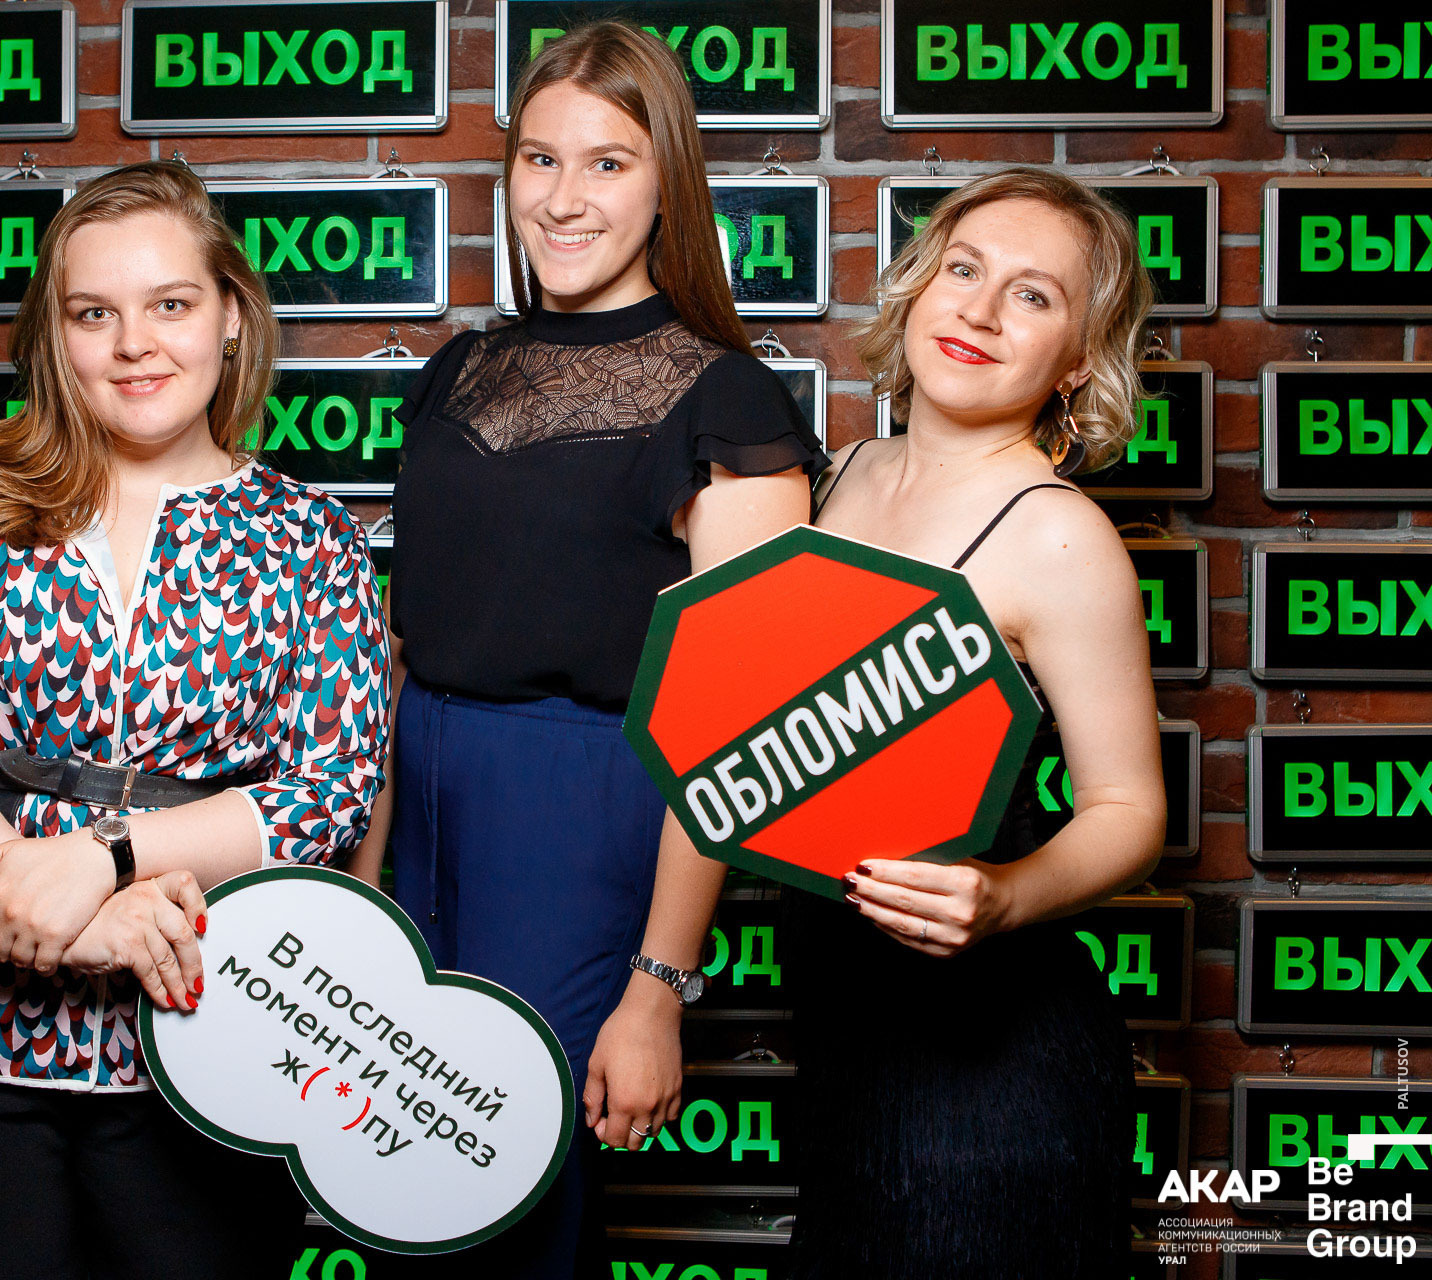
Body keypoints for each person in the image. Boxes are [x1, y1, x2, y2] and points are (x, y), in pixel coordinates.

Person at [0, 160, 390, 1279]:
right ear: (57, 333)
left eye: (170, 303)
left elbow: (329, 790)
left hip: (206, 1048)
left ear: (231, 315)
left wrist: (104, 859)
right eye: (95, 313)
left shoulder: (311, 537)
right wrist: (74, 925)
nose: (135, 345)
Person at [345, 22, 824, 1277]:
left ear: (669, 182)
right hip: (418, 803)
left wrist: (659, 983)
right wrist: (359, 893)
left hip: (582, 825)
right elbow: (403, 648)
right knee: (393, 1193)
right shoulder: (457, 371)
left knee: (511, 1197)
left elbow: (739, 725)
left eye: (608, 163)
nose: (563, 198)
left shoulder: (728, 400)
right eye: (539, 158)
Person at [785, 167, 1167, 1277]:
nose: (982, 310)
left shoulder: (1059, 535)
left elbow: (1131, 810)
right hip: (843, 1038)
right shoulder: (837, 476)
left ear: (1079, 359)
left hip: (995, 1069)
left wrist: (1003, 898)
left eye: (1033, 295)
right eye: (964, 268)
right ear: (918, 287)